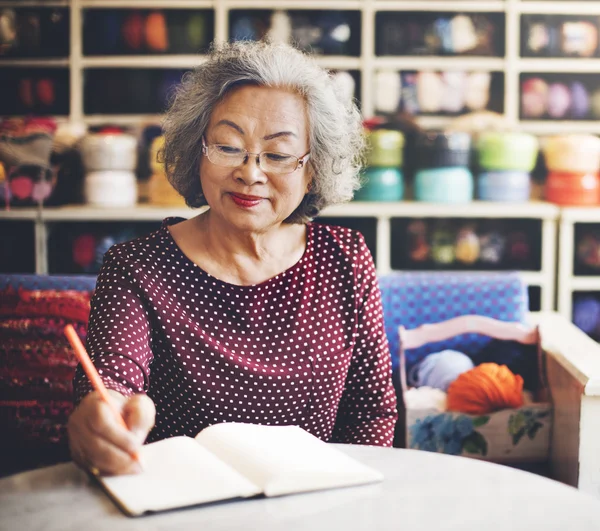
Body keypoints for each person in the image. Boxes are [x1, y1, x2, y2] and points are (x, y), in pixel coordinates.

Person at [68, 40, 398, 476]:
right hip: (184, 506)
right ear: (196, 149)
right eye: (227, 146)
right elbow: (113, 382)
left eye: (278, 155)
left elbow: (371, 411)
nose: (250, 172)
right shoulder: (138, 267)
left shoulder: (346, 258)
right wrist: (102, 416)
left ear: (313, 168)